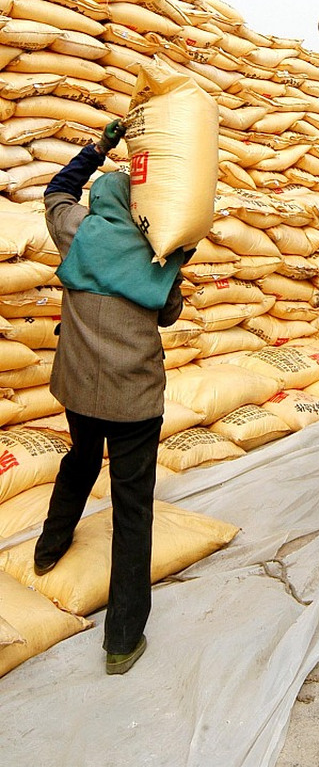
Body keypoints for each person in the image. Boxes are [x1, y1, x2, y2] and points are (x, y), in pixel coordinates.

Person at [33, 120, 187, 676]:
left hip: (79, 388)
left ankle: (48, 549)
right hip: (135, 400)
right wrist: (171, 250)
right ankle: (122, 640)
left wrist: (96, 149)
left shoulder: (77, 229)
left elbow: (56, 192)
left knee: (78, 458)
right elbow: (169, 313)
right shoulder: (158, 252)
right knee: (132, 508)